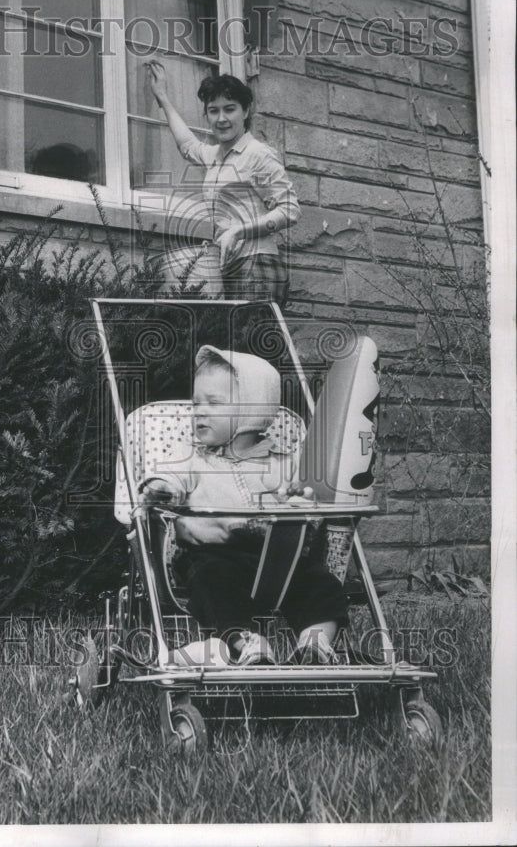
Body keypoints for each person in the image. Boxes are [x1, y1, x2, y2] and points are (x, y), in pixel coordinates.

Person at [140, 346, 348, 665]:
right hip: (214, 554)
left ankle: (315, 646)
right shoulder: (191, 459)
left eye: (214, 403)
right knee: (213, 580)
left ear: (254, 410)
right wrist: (162, 490)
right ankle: (247, 644)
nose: (199, 412)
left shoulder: (284, 462)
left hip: (279, 562)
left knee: (321, 583)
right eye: (196, 403)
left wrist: (298, 496)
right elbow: (171, 480)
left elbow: (308, 497)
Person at [147, 63, 300, 305]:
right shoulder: (215, 157)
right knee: (231, 343)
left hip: (258, 265)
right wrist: (162, 97)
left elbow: (289, 209)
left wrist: (238, 231)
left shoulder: (257, 154)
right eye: (213, 111)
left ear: (246, 111)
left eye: (230, 109)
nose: (221, 119)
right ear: (206, 115)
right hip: (229, 269)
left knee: (250, 343)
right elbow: (187, 145)